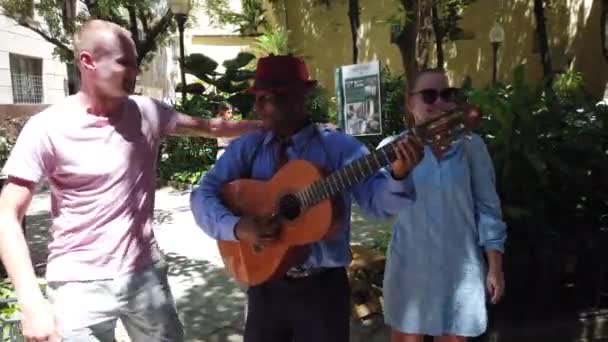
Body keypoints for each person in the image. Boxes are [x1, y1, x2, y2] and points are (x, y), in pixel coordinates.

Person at [0, 19, 260, 342]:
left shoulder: (147, 112)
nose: (134, 73)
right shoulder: (47, 128)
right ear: (88, 62)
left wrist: (270, 126)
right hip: (76, 286)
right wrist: (31, 303)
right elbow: (7, 214)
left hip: (144, 277)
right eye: (124, 62)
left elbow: (212, 128)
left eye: (136, 64)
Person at [189, 55, 424, 342]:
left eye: (267, 98)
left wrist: (399, 174)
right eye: (257, 98)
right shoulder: (248, 148)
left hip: (322, 291)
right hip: (266, 287)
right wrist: (237, 227)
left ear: (297, 99)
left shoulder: (339, 148)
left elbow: (377, 205)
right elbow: (203, 195)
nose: (258, 107)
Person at [379, 69, 507, 342]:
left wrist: (495, 265)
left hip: (459, 272)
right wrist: (398, 173)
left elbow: (488, 209)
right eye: (428, 95)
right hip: (410, 270)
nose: (439, 102)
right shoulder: (392, 149)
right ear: (410, 103)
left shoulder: (472, 148)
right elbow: (380, 208)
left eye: (447, 94)